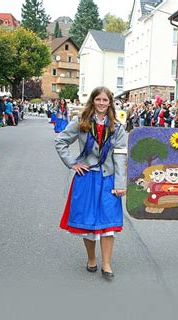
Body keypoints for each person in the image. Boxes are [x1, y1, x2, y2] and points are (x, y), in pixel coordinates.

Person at [55, 86, 127, 279]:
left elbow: (120, 156)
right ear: (93, 101)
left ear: (110, 103)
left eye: (105, 100)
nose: (101, 103)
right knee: (88, 222)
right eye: (98, 100)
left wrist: (120, 183)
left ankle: (106, 264)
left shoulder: (117, 127)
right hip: (86, 178)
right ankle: (91, 259)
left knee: (108, 223)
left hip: (108, 179)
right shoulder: (81, 122)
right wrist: (72, 163)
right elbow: (60, 141)